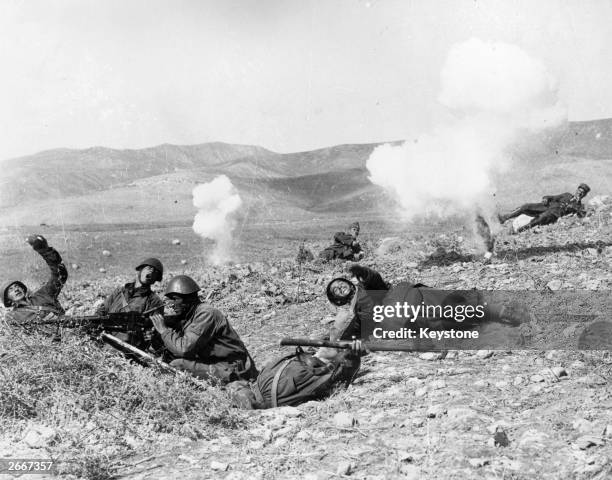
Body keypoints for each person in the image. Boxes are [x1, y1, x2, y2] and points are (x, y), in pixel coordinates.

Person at [149, 275, 257, 384]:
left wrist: (164, 330)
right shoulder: (190, 314)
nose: (171, 304)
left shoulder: (206, 314)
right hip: (218, 362)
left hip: (233, 367)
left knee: (177, 364)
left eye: (175, 299)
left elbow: (184, 348)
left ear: (189, 298)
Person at [2, 234, 68, 336]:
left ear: (23, 289)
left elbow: (60, 275)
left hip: (68, 333)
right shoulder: (12, 316)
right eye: (10, 289)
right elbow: (20, 337)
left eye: (17, 286)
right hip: (49, 345)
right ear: (8, 299)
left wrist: (45, 250)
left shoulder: (43, 294)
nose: (16, 289)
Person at [95, 257, 164, 349]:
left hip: (128, 345)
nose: (151, 272)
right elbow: (102, 311)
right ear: (140, 270)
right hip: (105, 338)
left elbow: (155, 330)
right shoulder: (120, 292)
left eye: (155, 272)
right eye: (149, 268)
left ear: (156, 279)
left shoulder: (154, 301)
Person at [498, 183, 590, 233]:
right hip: (545, 206)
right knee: (525, 207)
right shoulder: (567, 195)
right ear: (576, 190)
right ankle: (505, 218)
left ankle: (520, 230)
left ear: (584, 195)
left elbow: (581, 215)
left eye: (582, 193)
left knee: (541, 218)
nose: (579, 193)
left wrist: (576, 204)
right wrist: (545, 198)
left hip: (553, 215)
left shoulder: (579, 206)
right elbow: (552, 197)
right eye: (579, 191)